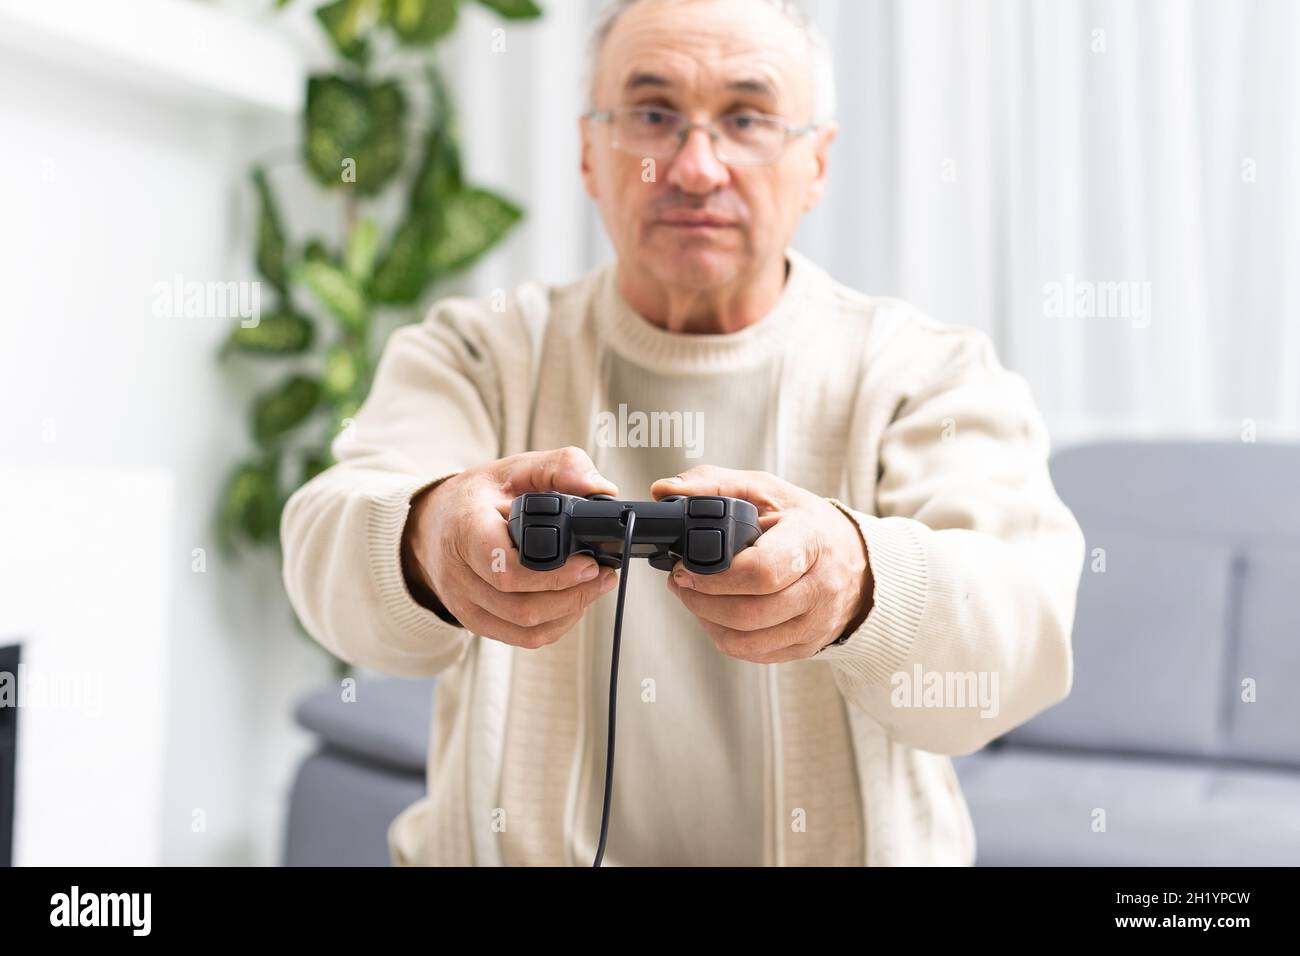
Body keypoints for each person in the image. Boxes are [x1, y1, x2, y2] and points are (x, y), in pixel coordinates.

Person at [281, 0, 1085, 866]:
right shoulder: (481, 352)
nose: (696, 168)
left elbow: (1015, 648)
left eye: (748, 119)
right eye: (653, 114)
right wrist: (428, 534)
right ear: (590, 152)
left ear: (817, 161)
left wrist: (858, 583)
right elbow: (326, 537)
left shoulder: (929, 374)